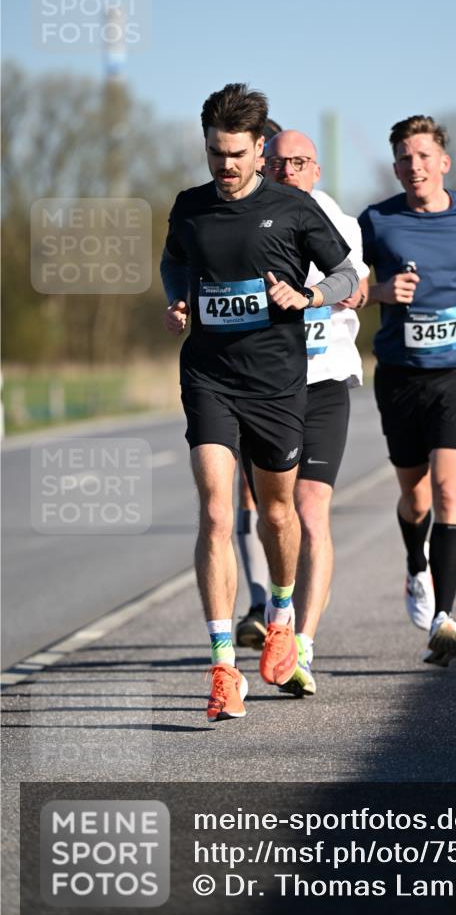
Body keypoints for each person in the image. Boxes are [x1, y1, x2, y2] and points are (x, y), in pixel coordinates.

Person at [160, 84, 357, 720]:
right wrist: (182, 297)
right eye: (216, 154)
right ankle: (222, 668)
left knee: (278, 516)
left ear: (259, 149)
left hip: (276, 384)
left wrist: (311, 297)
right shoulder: (189, 208)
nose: (226, 166)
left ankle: (280, 611)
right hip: (210, 376)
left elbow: (350, 274)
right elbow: (173, 262)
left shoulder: (293, 208)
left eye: (238, 155)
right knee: (217, 514)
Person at [358, 115, 456, 667]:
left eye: (423, 156)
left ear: (443, 162)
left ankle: (444, 619)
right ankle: (416, 566)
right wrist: (379, 289)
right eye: (403, 157)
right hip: (400, 374)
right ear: (395, 165)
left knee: (449, 490)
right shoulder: (376, 220)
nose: (414, 166)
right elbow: (343, 283)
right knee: (416, 495)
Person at [235, 129, 369, 697]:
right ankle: (266, 602)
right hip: (264, 385)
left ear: (315, 169)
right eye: (280, 163)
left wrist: (334, 292)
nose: (289, 171)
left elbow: (357, 287)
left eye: (300, 163)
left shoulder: (338, 221)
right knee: (270, 510)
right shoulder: (247, 218)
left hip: (323, 382)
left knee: (311, 509)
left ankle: (302, 644)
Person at [235, 117, 283, 650]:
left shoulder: (313, 211)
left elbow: (354, 281)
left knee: (291, 507)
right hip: (238, 375)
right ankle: (256, 604)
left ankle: (290, 615)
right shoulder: (225, 212)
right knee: (244, 495)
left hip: (308, 380)